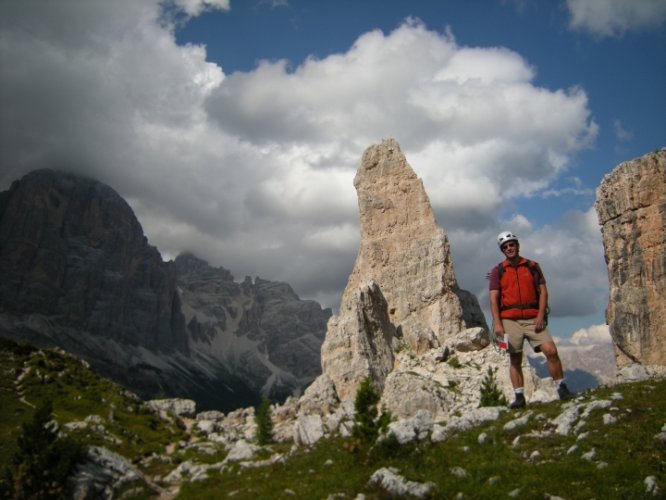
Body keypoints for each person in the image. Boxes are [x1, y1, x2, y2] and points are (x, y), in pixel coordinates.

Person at [489, 231, 572, 409]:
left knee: (550, 350)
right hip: (510, 319)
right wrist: (497, 324)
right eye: (505, 247)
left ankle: (561, 387)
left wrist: (541, 315)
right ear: (502, 250)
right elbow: (493, 298)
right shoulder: (498, 271)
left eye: (511, 244)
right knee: (515, 358)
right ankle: (519, 397)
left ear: (517, 245)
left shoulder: (533, 266)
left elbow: (543, 292)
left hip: (534, 317)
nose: (509, 248)